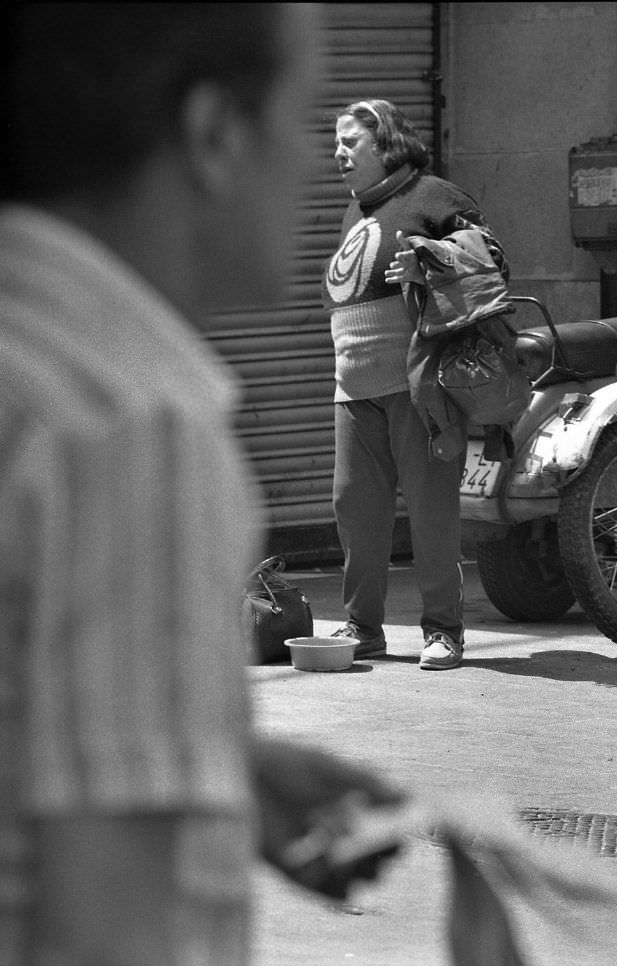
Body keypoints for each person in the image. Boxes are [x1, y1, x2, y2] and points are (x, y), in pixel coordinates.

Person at [0, 8, 405, 966]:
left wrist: (211, 768)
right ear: (215, 134)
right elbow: (115, 937)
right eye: (297, 117)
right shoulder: (130, 426)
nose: (313, 167)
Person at [322, 99, 510, 671]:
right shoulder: (356, 211)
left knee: (430, 510)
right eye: (337, 143)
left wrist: (430, 264)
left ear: (386, 145)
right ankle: (363, 626)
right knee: (354, 508)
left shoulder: (436, 197)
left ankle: (444, 630)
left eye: (350, 142)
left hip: (417, 385)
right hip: (353, 389)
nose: (338, 153)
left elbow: (494, 261)